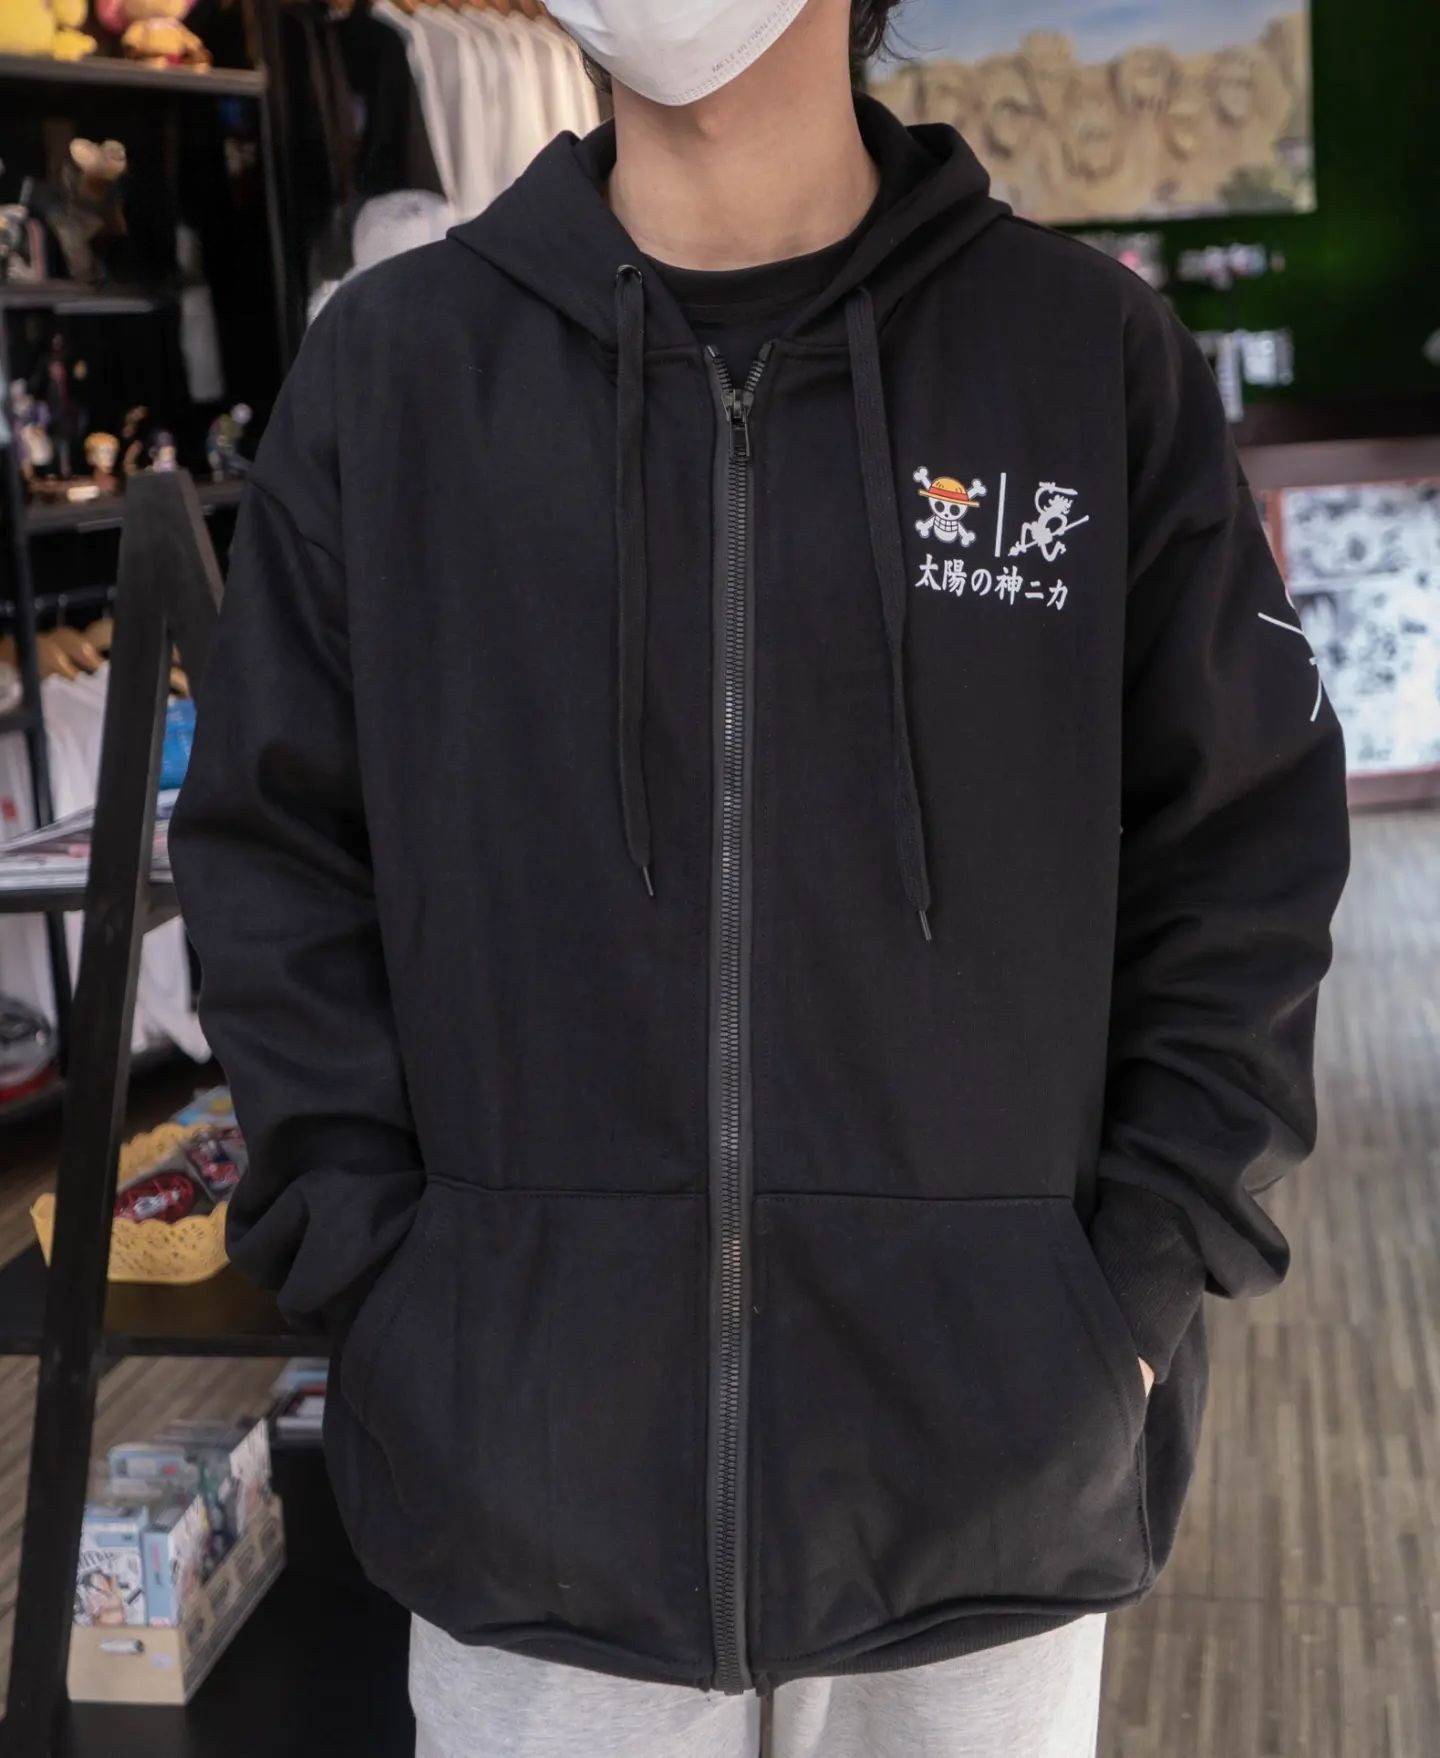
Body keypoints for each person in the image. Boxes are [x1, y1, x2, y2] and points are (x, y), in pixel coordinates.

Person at [167, 2, 1351, 1754]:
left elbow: (1241, 858)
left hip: (988, 1494)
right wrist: (399, 1299)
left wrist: (1128, 1302)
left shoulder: (1085, 361)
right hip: (531, 1511)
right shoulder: (393, 378)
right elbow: (274, 869)